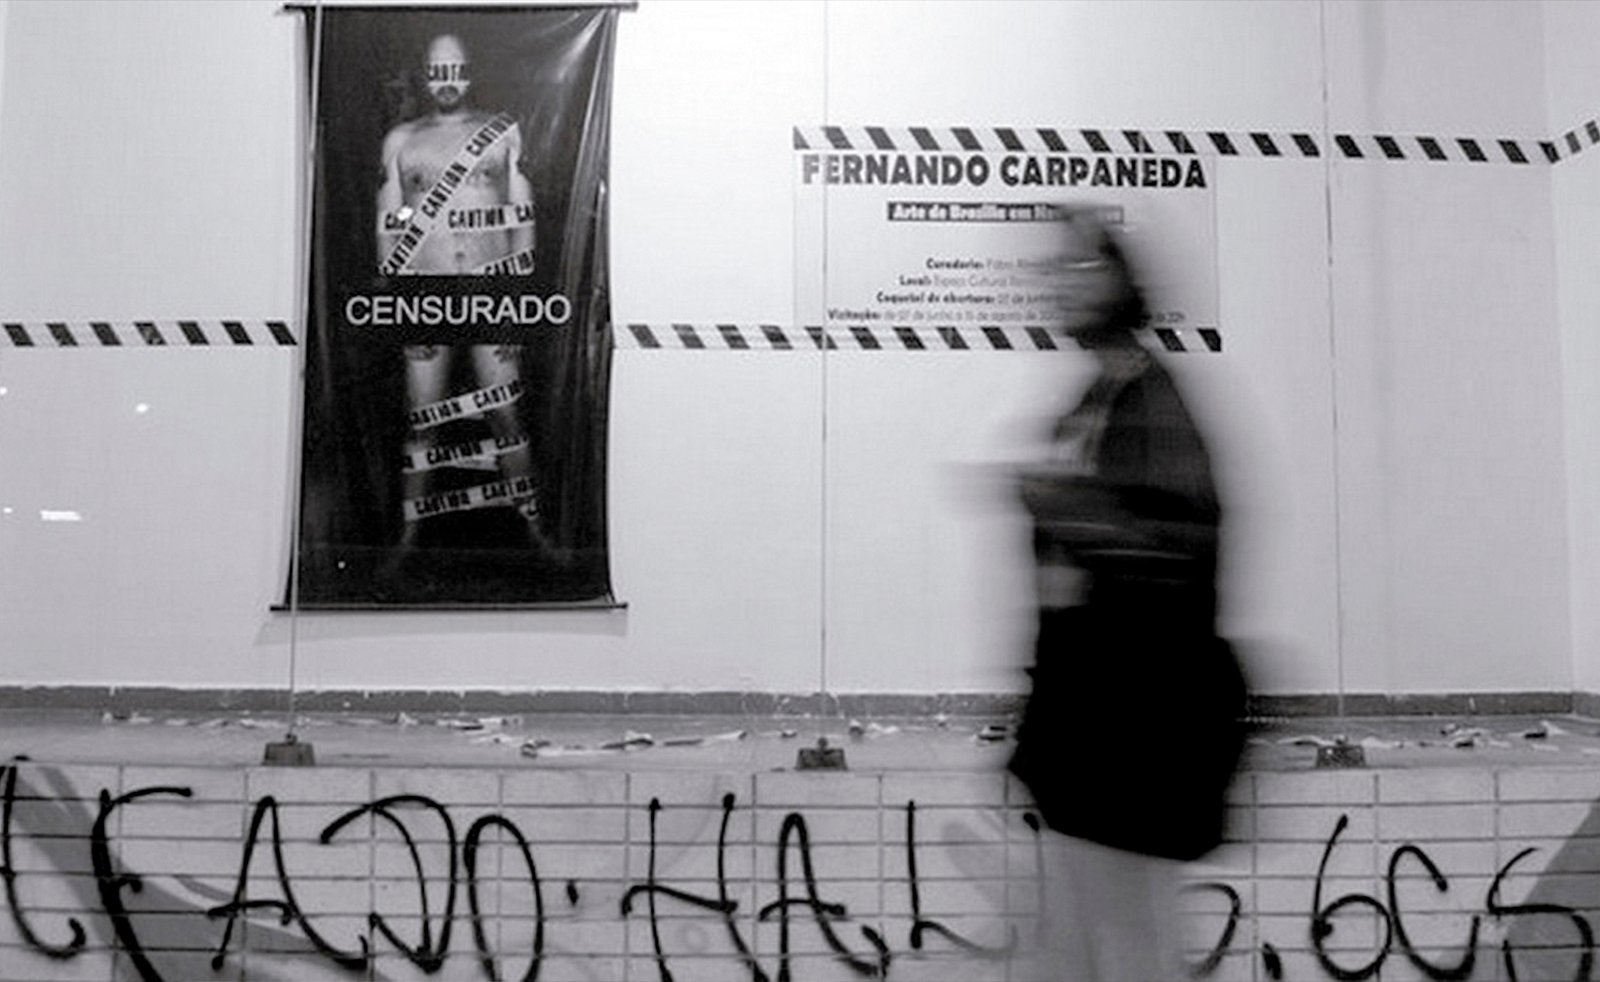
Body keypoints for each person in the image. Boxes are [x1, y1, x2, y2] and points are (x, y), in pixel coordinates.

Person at [1007, 207, 1247, 980]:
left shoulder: (1153, 401)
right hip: (1087, 735)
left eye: (1079, 266)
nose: (1058, 283)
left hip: (1133, 738)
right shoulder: (1094, 401)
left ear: (1121, 278)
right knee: (1077, 953)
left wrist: (1065, 508)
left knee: (1128, 951)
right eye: (1052, 269)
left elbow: (1179, 553)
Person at [375, 31, 543, 551]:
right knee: (422, 419)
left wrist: (514, 302)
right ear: (425, 75)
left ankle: (536, 532)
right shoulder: (401, 141)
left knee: (506, 415)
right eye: (437, 70)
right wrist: (404, 305)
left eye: (455, 69)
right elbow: (388, 229)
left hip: (491, 288)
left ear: (469, 72)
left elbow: (522, 219)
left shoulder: (501, 132)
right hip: (426, 292)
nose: (446, 80)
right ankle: (406, 541)